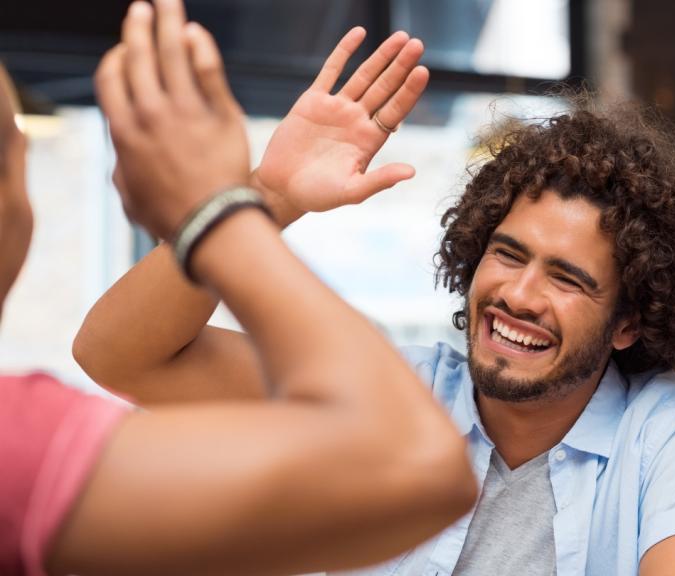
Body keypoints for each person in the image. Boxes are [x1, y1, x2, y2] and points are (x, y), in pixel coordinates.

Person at [76, 6, 675, 576]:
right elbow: (122, 357)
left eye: (567, 278)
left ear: (628, 323)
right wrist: (268, 195)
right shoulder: (389, 395)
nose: (519, 294)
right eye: (507, 254)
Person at [0, 1, 479, 574]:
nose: (524, 296)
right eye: (17, 149)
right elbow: (418, 466)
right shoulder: (17, 448)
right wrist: (225, 212)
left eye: (565, 276)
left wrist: (241, 206)